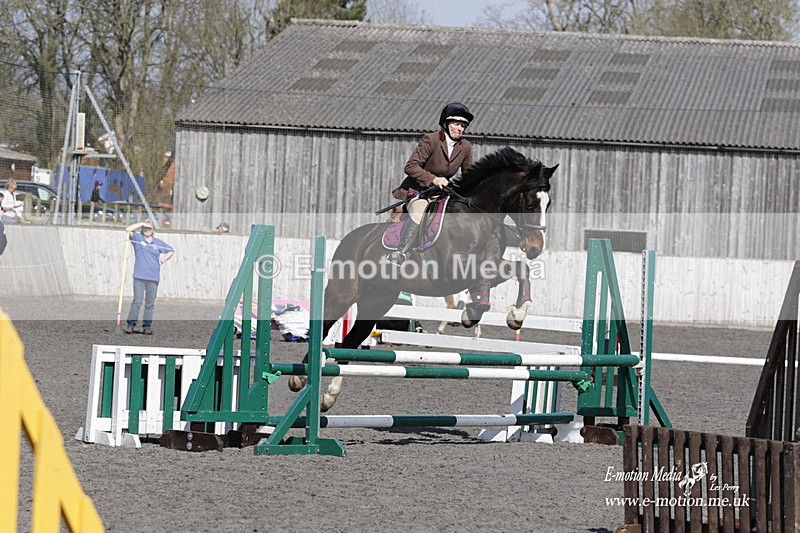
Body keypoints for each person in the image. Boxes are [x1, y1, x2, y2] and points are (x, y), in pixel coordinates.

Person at [388, 102, 474, 264]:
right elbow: (410, 166)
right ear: (446, 124)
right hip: (419, 191)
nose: (460, 129)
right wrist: (433, 179)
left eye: (463, 125)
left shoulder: (466, 147)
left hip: (442, 195)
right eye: (456, 124)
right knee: (420, 215)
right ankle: (401, 254)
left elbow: (469, 175)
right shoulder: (431, 140)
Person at [125, 219, 175, 334]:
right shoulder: (138, 238)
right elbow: (128, 230)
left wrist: (162, 261)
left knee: (150, 304)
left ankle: (147, 326)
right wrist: (142, 223)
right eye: (145, 228)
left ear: (153, 230)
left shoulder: (158, 242)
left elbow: (171, 251)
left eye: (150, 228)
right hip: (139, 277)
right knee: (137, 301)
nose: (147, 230)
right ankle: (130, 325)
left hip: (153, 278)